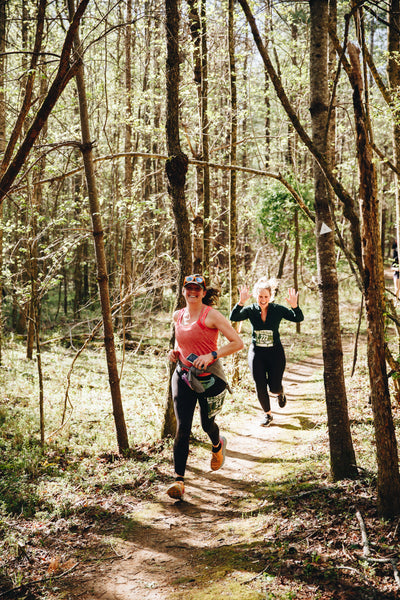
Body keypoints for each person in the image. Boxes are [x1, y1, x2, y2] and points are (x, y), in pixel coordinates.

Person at [167, 274, 244, 500]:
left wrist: (212, 354)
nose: (192, 292)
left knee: (206, 424)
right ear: (183, 291)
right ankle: (179, 482)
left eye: (197, 289)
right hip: (183, 376)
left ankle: (218, 444)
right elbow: (180, 343)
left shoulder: (212, 316)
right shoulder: (177, 316)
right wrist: (173, 353)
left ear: (203, 292)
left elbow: (237, 343)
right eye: (188, 288)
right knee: (182, 428)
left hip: (209, 377)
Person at [230, 277, 304, 427]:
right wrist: (241, 302)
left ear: (270, 297)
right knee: (260, 384)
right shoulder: (251, 310)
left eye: (266, 296)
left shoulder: (277, 309)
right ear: (256, 296)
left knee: (274, 386)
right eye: (260, 296)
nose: (263, 299)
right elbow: (234, 317)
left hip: (275, 353)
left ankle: (280, 392)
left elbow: (298, 318)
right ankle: (267, 414)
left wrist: (295, 306)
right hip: (257, 352)